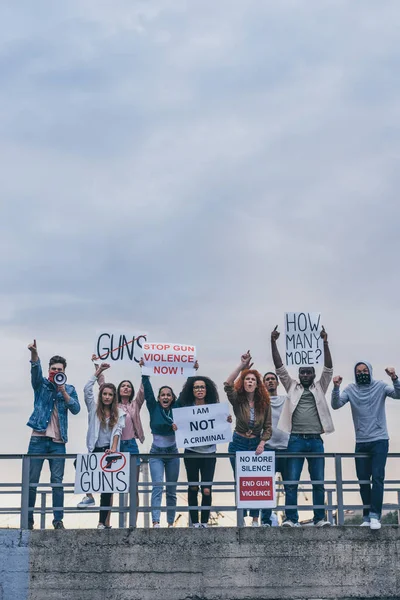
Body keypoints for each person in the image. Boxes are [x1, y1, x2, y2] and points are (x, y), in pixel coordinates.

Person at [271, 326, 334, 527]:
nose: (305, 374)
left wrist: (325, 342)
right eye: (302, 372)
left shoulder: (320, 387)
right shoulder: (292, 386)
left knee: (318, 482)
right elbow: (279, 367)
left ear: (313, 375)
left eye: (309, 372)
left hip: (315, 440)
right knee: (291, 482)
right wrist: (272, 342)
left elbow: (329, 369)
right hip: (296, 439)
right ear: (299, 375)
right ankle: (291, 519)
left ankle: (319, 519)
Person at [331, 362, 400, 530]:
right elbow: (336, 404)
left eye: (365, 371)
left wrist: (394, 378)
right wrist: (336, 387)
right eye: (359, 371)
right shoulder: (351, 389)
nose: (362, 373)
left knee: (377, 478)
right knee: (362, 480)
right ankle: (367, 516)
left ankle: (376, 515)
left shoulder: (380, 386)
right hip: (361, 441)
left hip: (379, 439)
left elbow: (398, 394)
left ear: (370, 371)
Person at [77, 357, 145, 512]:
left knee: (133, 486)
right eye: (123, 386)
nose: (126, 388)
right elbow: (102, 385)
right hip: (116, 447)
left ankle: (133, 520)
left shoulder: (134, 405)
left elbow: (143, 391)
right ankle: (105, 521)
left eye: (129, 386)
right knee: (110, 484)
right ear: (116, 392)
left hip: (130, 445)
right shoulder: (112, 406)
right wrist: (98, 364)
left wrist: (144, 369)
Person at [26, 339, 80, 530]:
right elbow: (35, 371)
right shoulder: (41, 385)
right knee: (31, 482)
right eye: (54, 369)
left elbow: (76, 409)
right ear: (49, 370)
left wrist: (63, 391)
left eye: (60, 370)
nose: (57, 372)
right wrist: (34, 354)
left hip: (58, 441)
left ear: (64, 372)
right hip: (38, 439)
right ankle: (28, 519)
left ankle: (58, 520)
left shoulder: (70, 388)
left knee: (57, 482)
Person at [224, 352, 272, 527]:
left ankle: (255, 519)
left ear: (257, 384)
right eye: (247, 380)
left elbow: (268, 427)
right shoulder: (238, 400)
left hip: (255, 444)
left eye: (253, 380)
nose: (250, 382)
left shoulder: (264, 403)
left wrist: (262, 443)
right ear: (243, 383)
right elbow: (227, 384)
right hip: (239, 443)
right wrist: (241, 366)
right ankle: (241, 518)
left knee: (256, 482)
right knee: (241, 481)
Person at [83, 362, 126, 529]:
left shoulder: (120, 413)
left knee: (107, 490)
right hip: (95, 449)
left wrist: (114, 449)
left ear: (114, 397)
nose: (107, 397)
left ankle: (102, 522)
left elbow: (118, 432)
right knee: (79, 466)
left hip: (109, 452)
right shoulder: (93, 410)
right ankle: (89, 496)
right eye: (105, 394)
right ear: (101, 396)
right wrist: (98, 371)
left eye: (110, 394)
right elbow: (87, 390)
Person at [175, 375, 222, 528]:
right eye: (196, 387)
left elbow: (220, 425)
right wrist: (177, 426)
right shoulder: (186, 407)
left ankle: (204, 522)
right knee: (193, 487)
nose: (199, 390)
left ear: (207, 390)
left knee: (207, 489)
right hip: (191, 453)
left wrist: (226, 421)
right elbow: (180, 422)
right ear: (192, 390)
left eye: (202, 387)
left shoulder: (214, 408)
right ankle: (195, 522)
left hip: (209, 453)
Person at [139, 361, 179, 528]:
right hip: (156, 453)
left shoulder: (177, 408)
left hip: (173, 454)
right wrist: (144, 370)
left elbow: (186, 394)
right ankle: (156, 521)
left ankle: (170, 522)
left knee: (171, 490)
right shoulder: (153, 407)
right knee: (157, 486)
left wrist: (192, 372)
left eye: (168, 395)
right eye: (162, 394)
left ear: (172, 398)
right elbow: (147, 389)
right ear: (158, 397)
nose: (165, 397)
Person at [260, 371, 290, 527]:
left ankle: (291, 519)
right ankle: (265, 520)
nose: (270, 381)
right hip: (268, 449)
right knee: (266, 486)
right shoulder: (260, 403)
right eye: (267, 379)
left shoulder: (286, 400)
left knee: (289, 486)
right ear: (263, 384)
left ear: (278, 383)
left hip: (286, 448)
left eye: (273, 379)